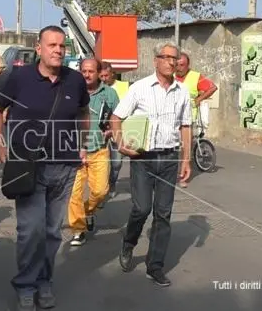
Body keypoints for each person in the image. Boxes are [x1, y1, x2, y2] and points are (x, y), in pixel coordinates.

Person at [0, 25, 90, 311]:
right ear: (39, 49)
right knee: (30, 230)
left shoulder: (75, 80)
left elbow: (83, 111)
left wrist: (83, 143)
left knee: (53, 231)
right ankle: (25, 284)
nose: (58, 50)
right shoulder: (18, 77)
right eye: (52, 45)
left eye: (62, 46)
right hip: (28, 166)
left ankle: (44, 281)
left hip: (66, 166)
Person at [110, 41, 192, 287]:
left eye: (174, 58)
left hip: (168, 158)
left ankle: (155, 266)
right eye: (165, 57)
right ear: (155, 60)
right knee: (142, 209)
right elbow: (116, 118)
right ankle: (129, 242)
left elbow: (185, 125)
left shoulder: (182, 91)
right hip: (142, 159)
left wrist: (186, 159)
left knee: (163, 214)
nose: (171, 61)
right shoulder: (140, 88)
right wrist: (120, 142)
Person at [67, 58, 119, 246]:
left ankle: (88, 211)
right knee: (74, 194)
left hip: (99, 150)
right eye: (83, 71)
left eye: (91, 71)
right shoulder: (71, 92)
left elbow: (117, 117)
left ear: (99, 73)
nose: (87, 75)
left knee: (100, 191)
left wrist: (112, 129)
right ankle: (78, 230)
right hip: (74, 151)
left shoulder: (110, 94)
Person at [174, 50, 217, 187]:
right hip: (170, 117)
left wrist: (199, 99)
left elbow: (212, 87)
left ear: (188, 65)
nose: (179, 68)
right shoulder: (170, 75)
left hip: (188, 116)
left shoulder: (195, 77)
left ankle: (183, 176)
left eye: (182, 65)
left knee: (185, 146)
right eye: (177, 65)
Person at [98, 62, 129, 204]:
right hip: (100, 133)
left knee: (116, 163)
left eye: (106, 75)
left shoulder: (125, 87)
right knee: (101, 163)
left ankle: (112, 183)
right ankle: (102, 190)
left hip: (118, 131)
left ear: (112, 74)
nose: (104, 78)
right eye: (101, 76)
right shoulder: (96, 88)